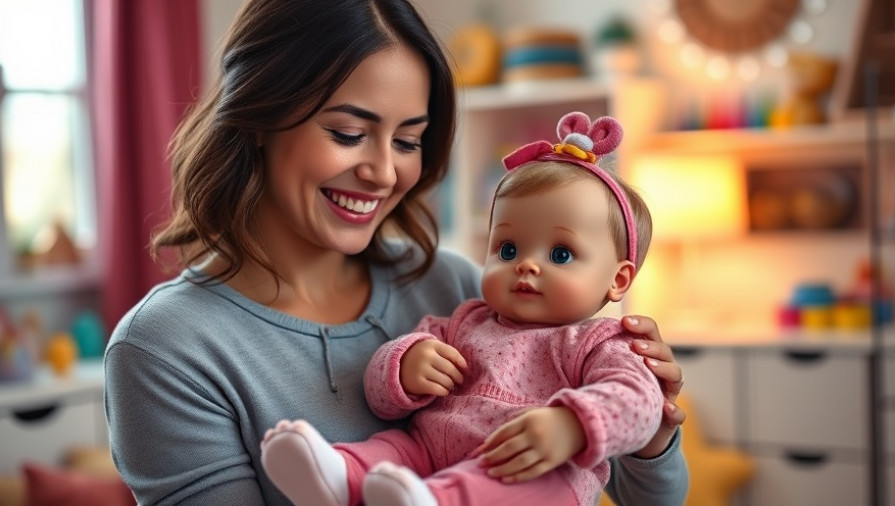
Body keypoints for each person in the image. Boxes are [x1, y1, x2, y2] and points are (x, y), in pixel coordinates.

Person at [103, 1, 688, 505]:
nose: (384, 172)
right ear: (260, 116)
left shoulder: (454, 282)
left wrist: (651, 423)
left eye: (408, 141)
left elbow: (647, 496)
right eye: (348, 133)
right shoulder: (165, 349)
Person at [259, 112, 664, 506]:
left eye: (560, 253)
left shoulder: (599, 343)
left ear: (618, 280)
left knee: (535, 484)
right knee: (393, 449)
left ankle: (434, 499)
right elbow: (380, 398)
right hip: (431, 452)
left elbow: (639, 401)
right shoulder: (464, 320)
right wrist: (404, 367)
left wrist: (573, 425)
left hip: (530, 467)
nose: (526, 265)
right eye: (507, 249)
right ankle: (340, 476)